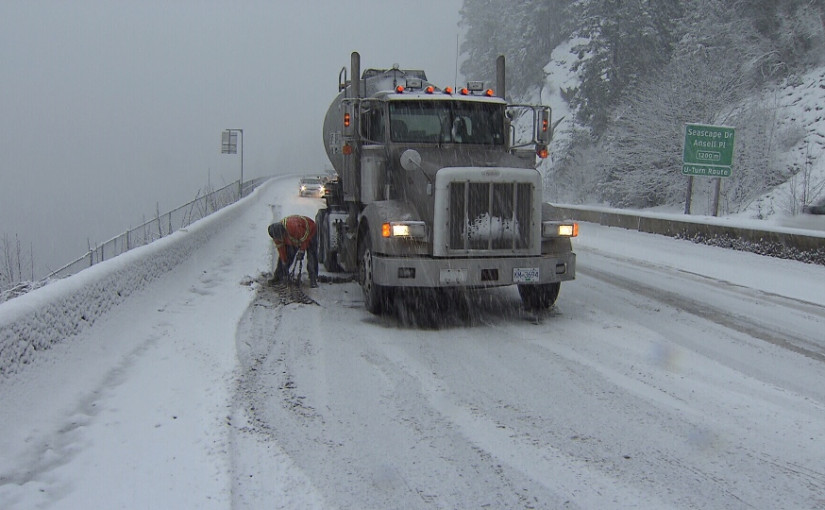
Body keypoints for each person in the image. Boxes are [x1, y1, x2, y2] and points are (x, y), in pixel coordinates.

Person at [267, 215, 319, 288]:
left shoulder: (293, 227)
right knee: (288, 255)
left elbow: (305, 238)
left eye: (281, 237)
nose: (280, 239)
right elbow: (281, 250)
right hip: (294, 238)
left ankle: (313, 278)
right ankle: (278, 277)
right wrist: (284, 262)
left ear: (283, 232)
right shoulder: (276, 235)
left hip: (310, 231)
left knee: (311, 255)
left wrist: (302, 250)